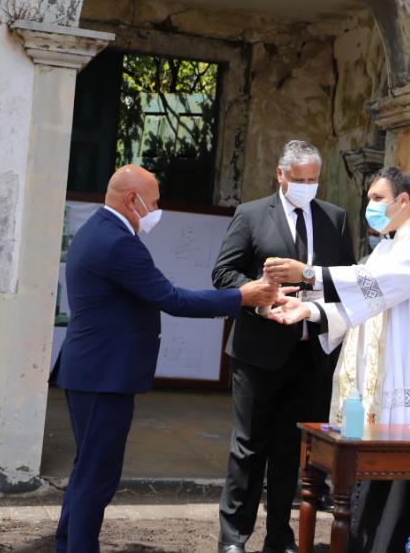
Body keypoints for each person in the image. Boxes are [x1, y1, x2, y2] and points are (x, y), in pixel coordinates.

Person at [48, 165, 279, 553]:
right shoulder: (117, 241)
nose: (157, 209)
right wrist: (244, 296)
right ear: (130, 199)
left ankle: (67, 544)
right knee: (97, 476)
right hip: (104, 375)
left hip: (92, 370)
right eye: (153, 201)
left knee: (87, 470)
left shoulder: (100, 231)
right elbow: (173, 299)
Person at [265, 166, 410, 553]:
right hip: (385, 393)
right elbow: (365, 302)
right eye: (368, 199)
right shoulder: (386, 247)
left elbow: (377, 286)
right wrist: (309, 312)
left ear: (404, 201)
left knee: (409, 497)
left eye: (377, 199)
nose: (370, 207)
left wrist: (310, 274)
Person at [213, 140, 355, 553]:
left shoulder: (335, 218)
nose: (307, 186)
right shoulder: (252, 214)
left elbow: (345, 281)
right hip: (259, 352)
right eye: (299, 180)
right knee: (248, 447)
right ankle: (233, 538)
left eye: (313, 180)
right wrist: (262, 296)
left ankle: (279, 536)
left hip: (312, 354)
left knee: (292, 452)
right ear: (281, 175)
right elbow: (223, 274)